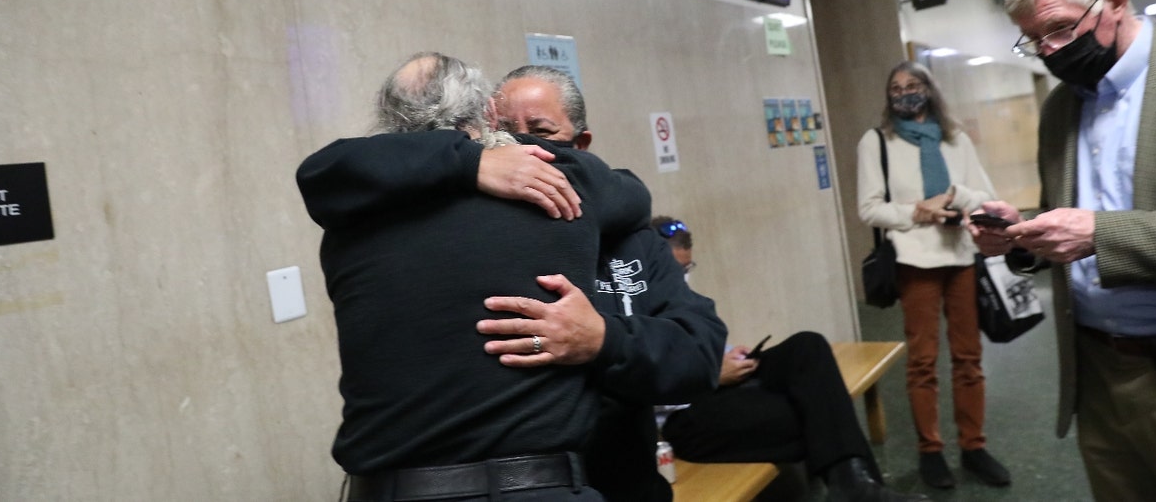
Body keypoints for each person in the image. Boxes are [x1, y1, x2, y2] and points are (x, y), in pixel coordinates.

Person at [486, 66, 923, 502]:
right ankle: (851, 478)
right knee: (812, 414)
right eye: (506, 132)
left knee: (807, 349)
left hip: (664, 417)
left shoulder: (630, 239)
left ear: (581, 144)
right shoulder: (481, 240)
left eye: (540, 131)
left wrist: (611, 340)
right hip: (622, 442)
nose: (522, 147)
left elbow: (694, 342)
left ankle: (852, 483)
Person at [295, 52, 653, 501]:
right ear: (488, 114)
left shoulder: (351, 208)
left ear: (386, 121)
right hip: (534, 490)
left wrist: (465, 163)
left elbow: (323, 169)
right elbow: (636, 197)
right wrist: (476, 160)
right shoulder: (554, 175)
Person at [970, 0, 1156, 501]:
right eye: (1033, 41)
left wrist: (1098, 234)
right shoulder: (1061, 107)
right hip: (1096, 368)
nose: (1048, 51)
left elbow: (1096, 228)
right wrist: (1023, 233)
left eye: (1059, 29)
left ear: (1115, 0)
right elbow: (1076, 217)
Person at [652, 217, 930, 502]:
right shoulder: (631, 311)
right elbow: (640, 387)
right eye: (677, 270)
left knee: (807, 346)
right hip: (682, 416)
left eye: (688, 268)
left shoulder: (682, 298)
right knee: (819, 409)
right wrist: (711, 374)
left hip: (717, 382)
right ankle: (858, 487)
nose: (683, 277)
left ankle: (855, 487)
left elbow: (703, 342)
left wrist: (728, 355)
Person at [856, 61, 1008, 490]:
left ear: (930, 89)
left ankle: (974, 447)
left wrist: (955, 196)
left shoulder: (955, 138)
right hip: (913, 261)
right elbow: (868, 208)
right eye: (896, 87)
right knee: (922, 363)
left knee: (969, 358)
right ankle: (931, 453)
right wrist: (918, 212)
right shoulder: (876, 142)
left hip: (960, 255)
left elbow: (987, 197)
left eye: (914, 85)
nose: (905, 92)